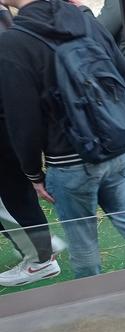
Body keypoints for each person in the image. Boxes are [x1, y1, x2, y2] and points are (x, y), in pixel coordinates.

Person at [0, 0, 125, 279]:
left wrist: (33, 173)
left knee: (83, 246)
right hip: (117, 145)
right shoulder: (84, 18)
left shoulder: (12, 43)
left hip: (69, 161)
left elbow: (23, 120)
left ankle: (94, 308)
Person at [0, 4, 63, 286]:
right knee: (13, 194)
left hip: (5, 122)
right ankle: (41, 247)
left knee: (12, 194)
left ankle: (42, 258)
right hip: (9, 119)